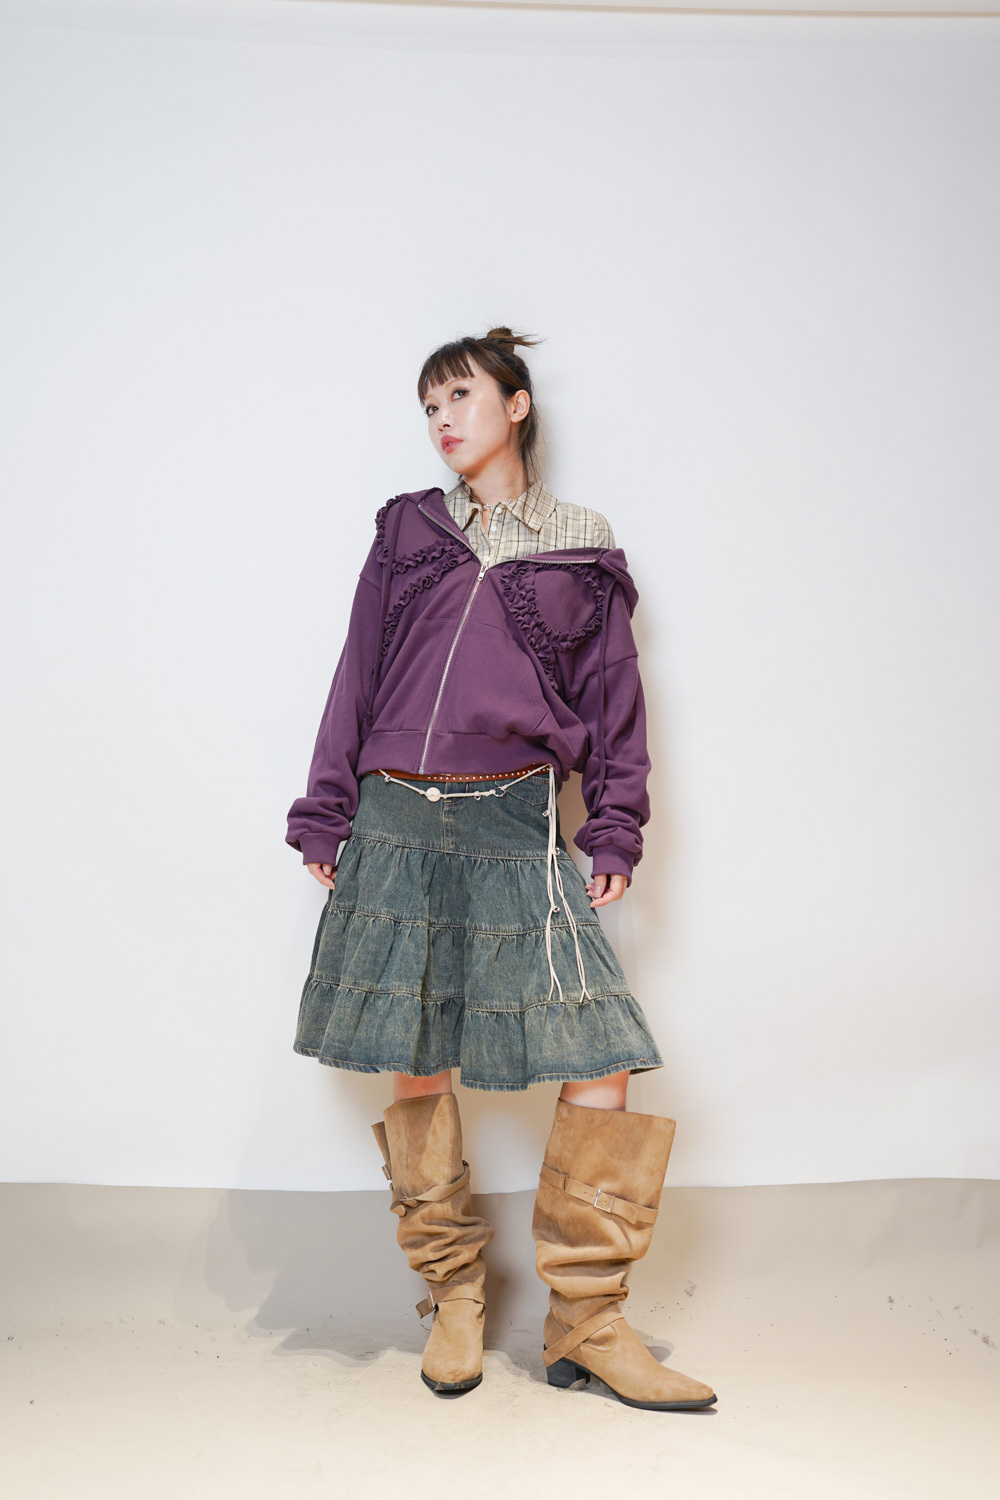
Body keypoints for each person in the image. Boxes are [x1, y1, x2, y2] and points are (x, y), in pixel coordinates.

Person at [285, 326, 717, 1412]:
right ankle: (455, 1297)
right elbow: (357, 671)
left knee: (601, 1054)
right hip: (396, 817)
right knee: (418, 1057)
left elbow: (615, 703)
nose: (442, 419)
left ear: (516, 404)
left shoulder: (580, 544)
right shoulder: (409, 528)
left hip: (518, 821)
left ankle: (589, 1320)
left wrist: (614, 828)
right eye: (428, 405)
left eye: (461, 395)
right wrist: (327, 808)